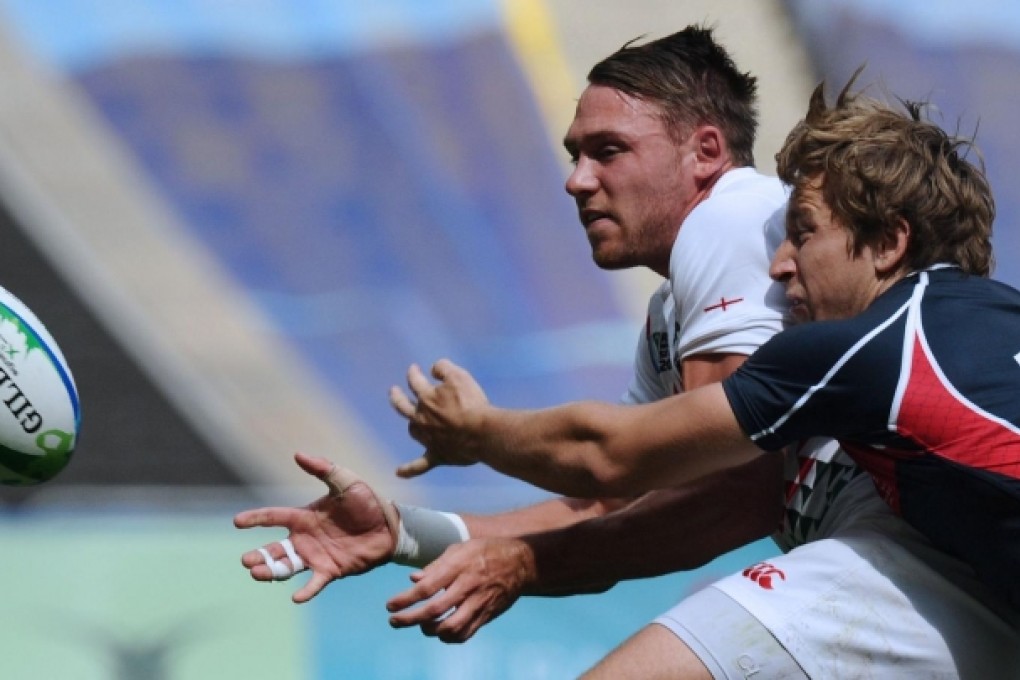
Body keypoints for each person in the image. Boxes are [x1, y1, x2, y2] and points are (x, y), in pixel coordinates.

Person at [234, 30, 1018, 678]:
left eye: (607, 150)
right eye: (575, 153)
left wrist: (482, 441)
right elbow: (614, 498)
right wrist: (408, 532)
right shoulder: (680, 319)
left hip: (912, 573)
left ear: (705, 151)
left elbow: (688, 479)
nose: (578, 180)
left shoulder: (740, 223)